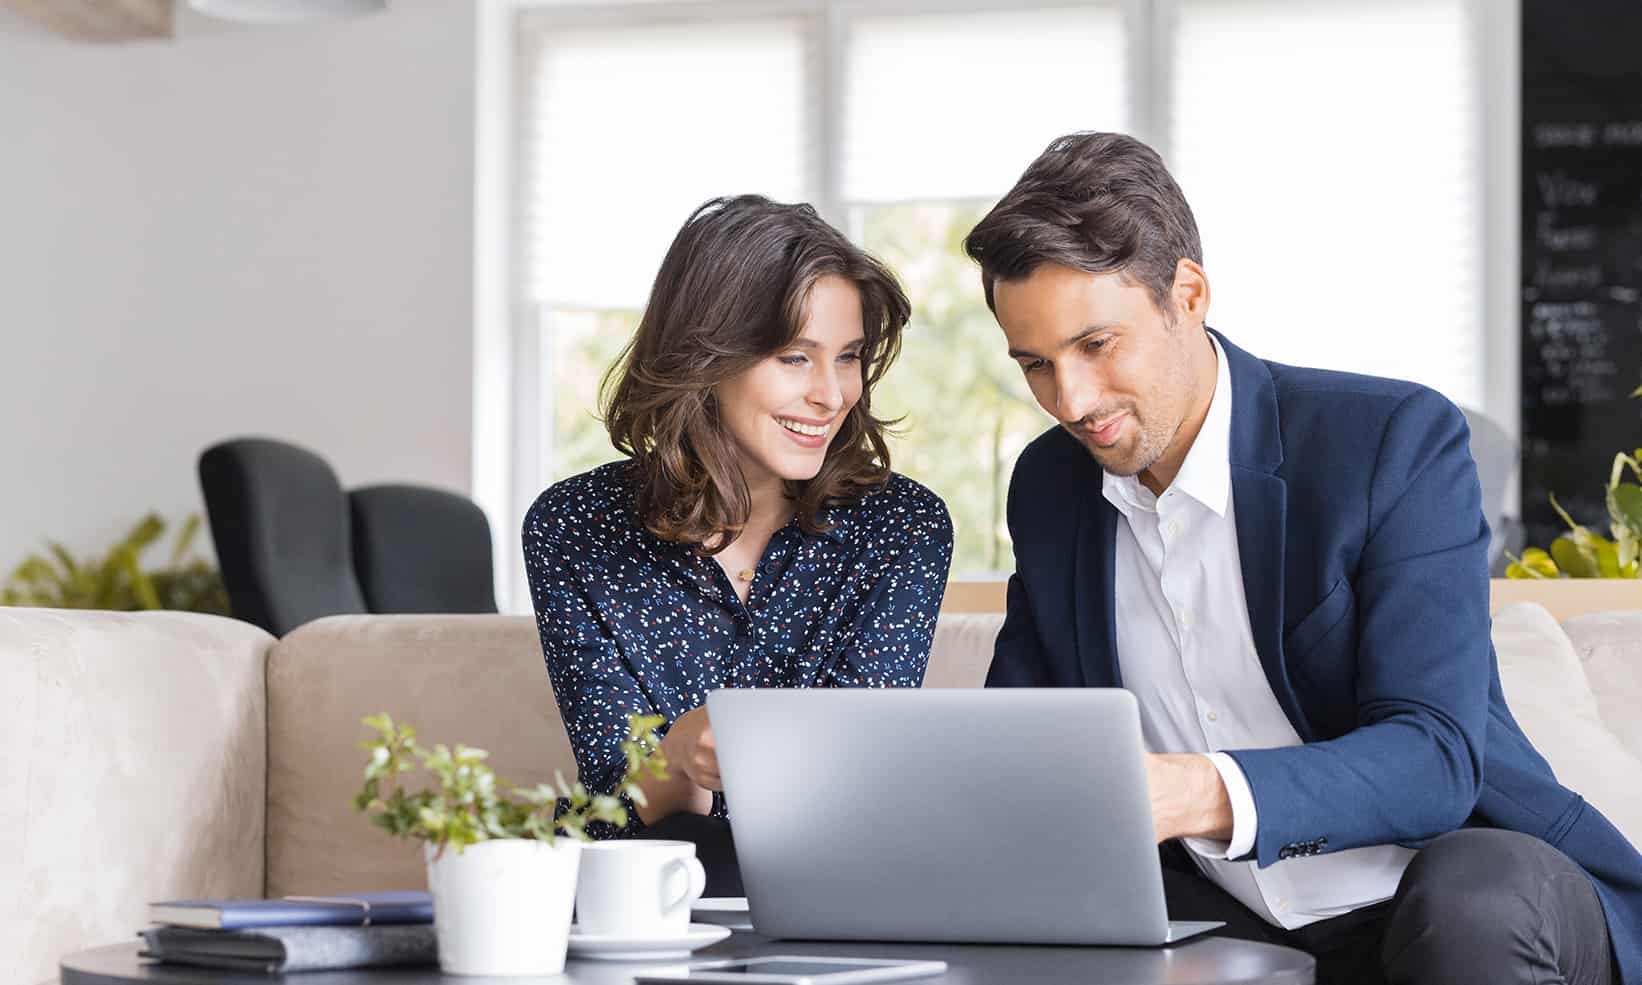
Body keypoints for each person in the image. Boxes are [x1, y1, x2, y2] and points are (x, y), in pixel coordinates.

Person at [965, 132, 1641, 985]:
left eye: (1097, 345)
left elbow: (1434, 755)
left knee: (1470, 901)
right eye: (1036, 365)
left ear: (1189, 293)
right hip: (1229, 921)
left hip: (1457, 889)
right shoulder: (1050, 487)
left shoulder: (1389, 441)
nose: (1072, 399)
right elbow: (1022, 737)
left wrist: (1197, 791)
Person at [523, 195, 954, 896]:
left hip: (840, 904)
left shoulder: (902, 528)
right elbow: (608, 810)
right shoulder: (572, 527)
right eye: (794, 357)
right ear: (705, 355)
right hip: (641, 905)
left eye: (847, 358)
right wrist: (676, 757)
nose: (832, 394)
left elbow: (855, 795)